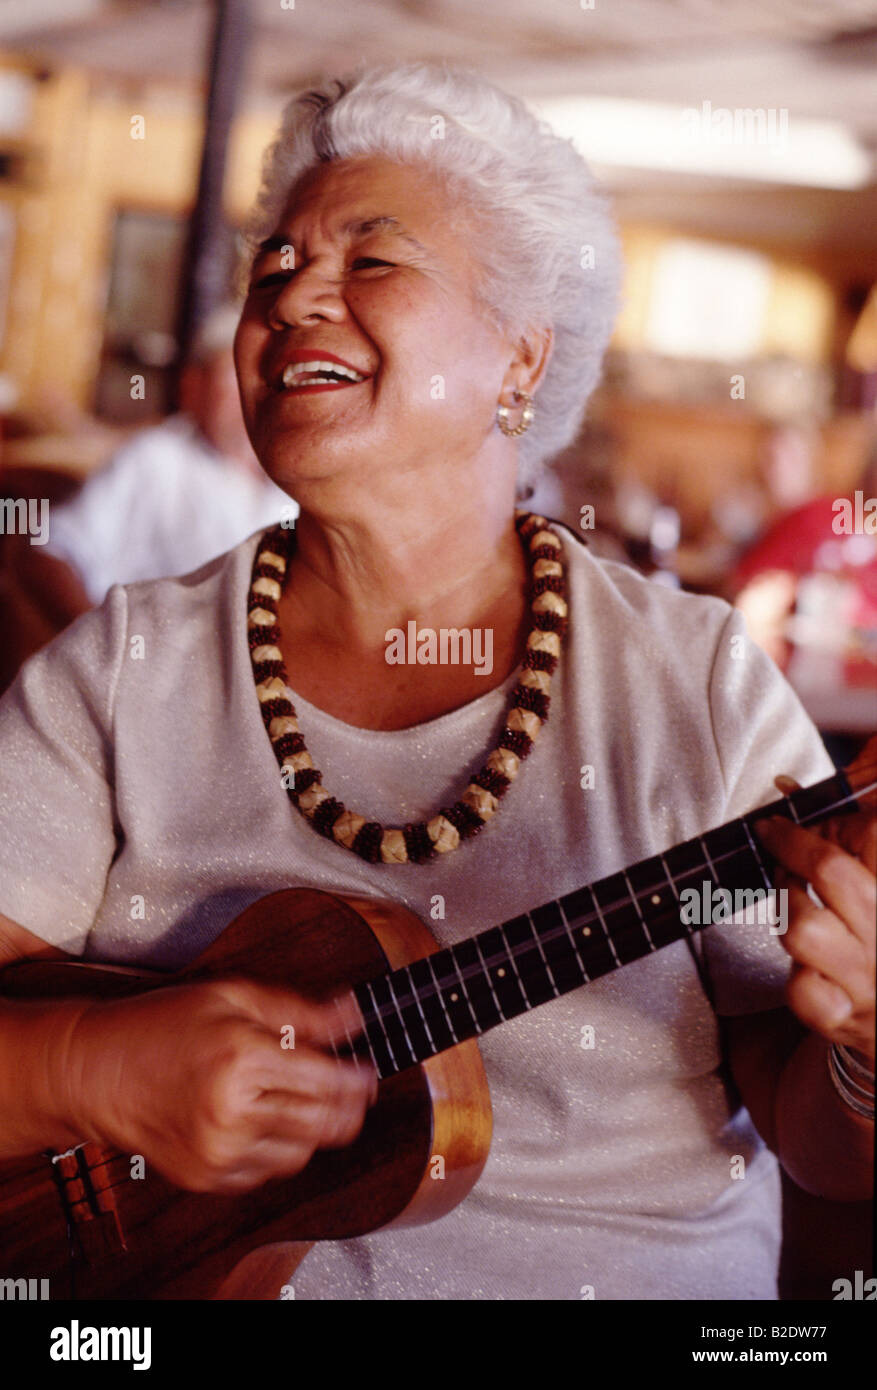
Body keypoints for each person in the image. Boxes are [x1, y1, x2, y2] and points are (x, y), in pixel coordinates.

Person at [0, 63, 873, 1302]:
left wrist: (866, 1057)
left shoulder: (697, 682)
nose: (294, 292)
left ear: (521, 354)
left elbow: (822, 1144)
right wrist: (81, 1066)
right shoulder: (123, 670)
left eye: (370, 261)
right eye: (272, 271)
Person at [42, 304, 293, 605]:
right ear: (191, 385)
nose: (251, 395)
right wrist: (98, 643)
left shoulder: (289, 483)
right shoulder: (156, 459)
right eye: (234, 378)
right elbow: (52, 548)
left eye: (266, 380)